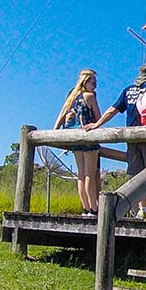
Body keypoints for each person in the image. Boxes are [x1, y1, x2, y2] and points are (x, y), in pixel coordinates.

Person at [88, 63, 146, 219]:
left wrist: (97, 124)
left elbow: (114, 109)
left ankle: (137, 208)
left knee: (134, 174)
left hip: (131, 136)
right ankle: (144, 207)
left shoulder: (128, 90)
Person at [53, 69, 101, 215]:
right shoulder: (89, 97)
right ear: (85, 82)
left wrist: (54, 132)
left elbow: (61, 115)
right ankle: (94, 208)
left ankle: (85, 207)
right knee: (89, 174)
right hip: (87, 136)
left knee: (80, 174)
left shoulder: (71, 97)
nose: (95, 85)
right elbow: (98, 117)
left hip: (74, 138)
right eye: (93, 82)